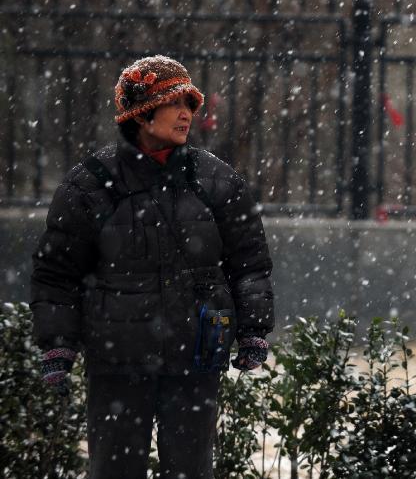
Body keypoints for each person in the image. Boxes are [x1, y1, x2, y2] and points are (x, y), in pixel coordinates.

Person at [30, 55, 275, 479]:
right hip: (118, 360)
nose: (187, 114)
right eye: (174, 103)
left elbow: (249, 263)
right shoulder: (89, 184)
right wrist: (58, 344)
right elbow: (57, 272)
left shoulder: (217, 181)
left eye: (190, 104)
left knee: (191, 471)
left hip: (196, 355)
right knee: (114, 470)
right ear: (142, 114)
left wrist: (253, 329)